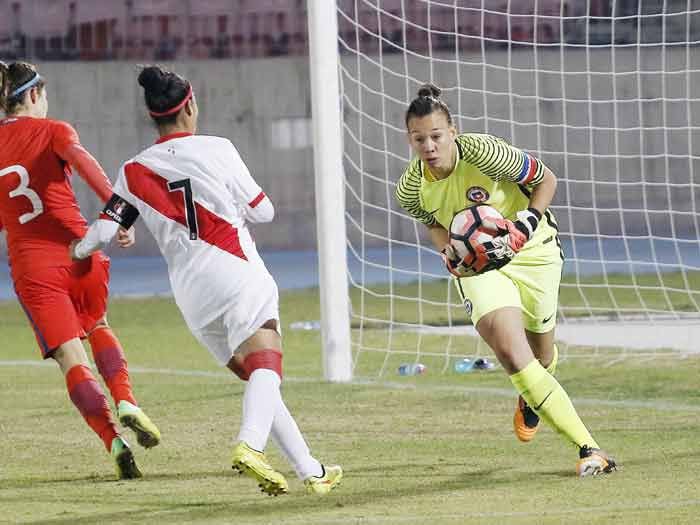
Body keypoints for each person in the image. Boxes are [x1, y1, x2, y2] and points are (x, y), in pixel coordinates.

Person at [70, 65, 343, 495]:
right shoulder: (219, 148)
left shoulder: (134, 169)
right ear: (191, 105)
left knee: (260, 377)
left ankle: (311, 469)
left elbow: (104, 233)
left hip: (192, 296)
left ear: (152, 117)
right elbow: (263, 211)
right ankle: (250, 446)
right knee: (268, 364)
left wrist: (77, 252)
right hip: (236, 270)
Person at [395, 83, 617, 477]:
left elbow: (546, 179)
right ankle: (589, 448)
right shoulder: (411, 188)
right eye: (419, 139)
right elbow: (432, 223)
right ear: (409, 140)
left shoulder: (484, 152)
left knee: (542, 356)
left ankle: (532, 397)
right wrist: (448, 250)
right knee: (513, 355)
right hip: (478, 268)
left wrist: (524, 223)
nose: (428, 146)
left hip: (533, 251)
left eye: (435, 136)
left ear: (453, 132)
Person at [0, 61, 160, 480]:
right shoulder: (55, 130)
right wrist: (119, 215)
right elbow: (88, 167)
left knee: (73, 358)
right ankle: (127, 400)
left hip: (33, 267)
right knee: (99, 323)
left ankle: (114, 442)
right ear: (33, 95)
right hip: (78, 250)